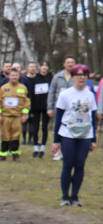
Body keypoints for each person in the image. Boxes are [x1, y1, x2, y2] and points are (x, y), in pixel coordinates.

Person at [53, 64, 97, 206]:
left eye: (84, 75)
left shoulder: (90, 94)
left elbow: (93, 116)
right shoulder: (65, 94)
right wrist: (56, 141)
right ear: (73, 77)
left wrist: (93, 139)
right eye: (79, 75)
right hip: (68, 133)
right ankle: (65, 196)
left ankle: (75, 196)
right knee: (68, 164)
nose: (82, 78)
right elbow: (58, 118)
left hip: (85, 134)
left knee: (80, 165)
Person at [0, 66, 30, 160]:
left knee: (16, 135)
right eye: (12, 75)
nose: (14, 77)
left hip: (17, 116)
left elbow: (27, 102)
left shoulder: (23, 88)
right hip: (6, 116)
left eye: (16, 75)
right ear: (9, 76)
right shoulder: (3, 88)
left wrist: (25, 115)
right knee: (5, 135)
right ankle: (3, 154)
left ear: (19, 76)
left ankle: (15, 154)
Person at [28, 61, 52, 158]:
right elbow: (31, 95)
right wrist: (31, 110)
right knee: (35, 127)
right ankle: (35, 148)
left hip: (46, 107)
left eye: (46, 66)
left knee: (44, 128)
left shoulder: (50, 78)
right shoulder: (35, 79)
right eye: (43, 66)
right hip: (36, 107)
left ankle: (42, 149)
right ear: (40, 67)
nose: (44, 68)